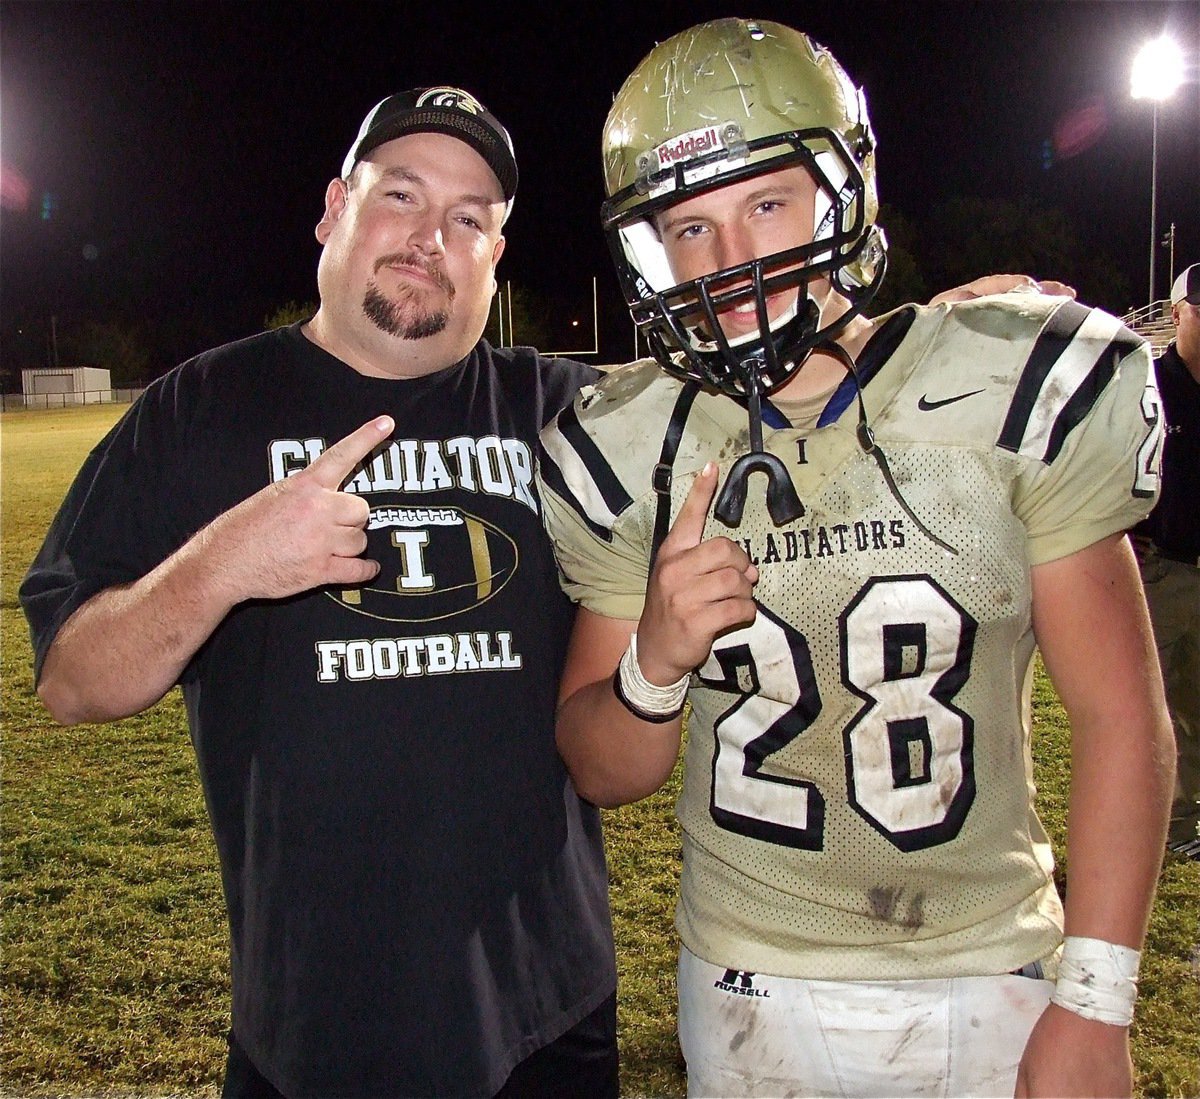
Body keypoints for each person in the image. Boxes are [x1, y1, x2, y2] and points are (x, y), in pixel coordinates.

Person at [537, 19, 1174, 1099]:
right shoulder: (633, 446)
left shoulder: (1003, 388)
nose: (730, 259)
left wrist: (1097, 1000)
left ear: (846, 190)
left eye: (767, 204)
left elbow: (1122, 716)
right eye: (688, 227)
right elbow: (603, 766)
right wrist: (654, 661)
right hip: (750, 980)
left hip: (989, 964)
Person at [20, 88, 619, 1099]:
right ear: (335, 209)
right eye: (402, 196)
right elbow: (73, 677)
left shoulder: (566, 414)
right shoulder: (200, 408)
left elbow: (761, 406)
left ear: (494, 258)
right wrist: (226, 561)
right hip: (315, 1027)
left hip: (545, 1017)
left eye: (469, 218)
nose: (432, 236)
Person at [1132, 262, 1200, 860]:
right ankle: (1175, 823)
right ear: (1177, 313)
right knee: (1159, 702)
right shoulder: (1149, 382)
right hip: (1167, 565)